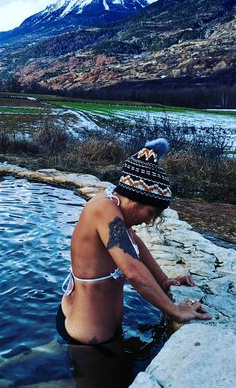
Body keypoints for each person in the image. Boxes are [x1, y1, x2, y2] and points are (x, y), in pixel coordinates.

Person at [57, 138, 211, 348]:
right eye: (151, 212)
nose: (149, 220)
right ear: (136, 200)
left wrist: (164, 280)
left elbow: (136, 244)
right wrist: (175, 311)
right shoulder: (103, 209)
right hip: (88, 339)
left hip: (89, 328)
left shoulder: (114, 208)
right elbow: (131, 268)